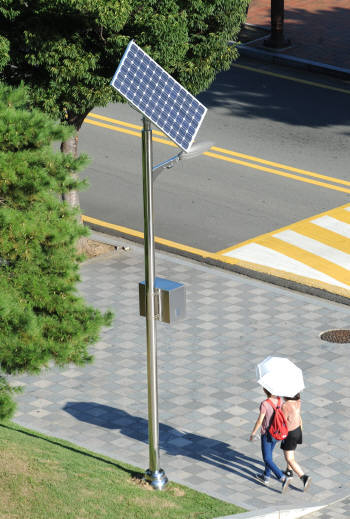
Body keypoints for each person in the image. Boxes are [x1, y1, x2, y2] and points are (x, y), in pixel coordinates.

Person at [250, 388, 292, 493]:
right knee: (269, 454)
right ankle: (266, 476)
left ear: (265, 391)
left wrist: (253, 433)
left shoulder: (264, 404)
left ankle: (282, 477)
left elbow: (260, 420)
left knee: (267, 458)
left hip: (267, 434)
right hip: (277, 433)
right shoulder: (279, 400)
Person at [280, 393, 311, 491]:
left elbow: (283, 420)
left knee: (289, 458)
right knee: (291, 451)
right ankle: (289, 471)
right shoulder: (298, 402)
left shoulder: (285, 405)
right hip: (298, 430)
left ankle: (303, 477)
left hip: (290, 433)